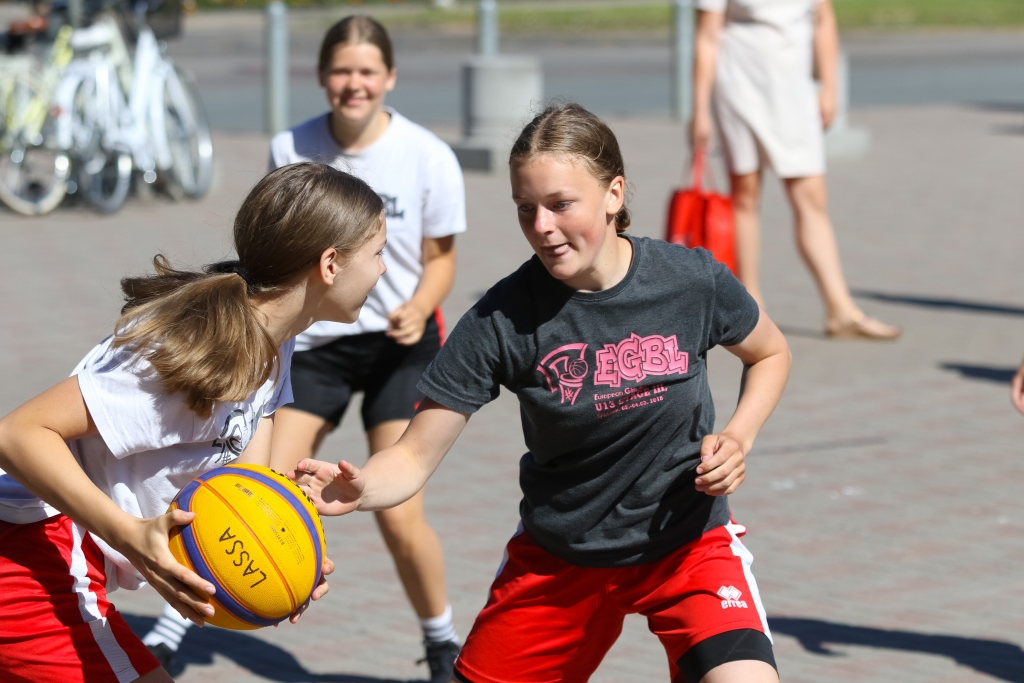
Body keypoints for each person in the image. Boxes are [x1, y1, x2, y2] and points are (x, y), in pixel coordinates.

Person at [291, 104, 793, 683]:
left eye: (560, 204)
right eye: (526, 209)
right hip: (564, 559)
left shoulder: (690, 280)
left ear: (614, 194)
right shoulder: (502, 318)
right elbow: (413, 453)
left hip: (687, 546)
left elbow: (770, 352)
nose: (542, 227)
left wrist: (738, 435)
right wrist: (362, 489)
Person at [0, 162, 385, 683]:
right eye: (378, 253)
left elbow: (239, 487)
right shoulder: (198, 349)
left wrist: (291, 535)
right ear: (331, 264)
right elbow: (18, 433)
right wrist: (134, 536)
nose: (385, 270)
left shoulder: (276, 340)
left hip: (59, 554)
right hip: (29, 550)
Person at [691, 0, 900, 340]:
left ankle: (841, 310)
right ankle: (751, 309)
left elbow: (823, 18)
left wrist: (829, 86)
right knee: (745, 196)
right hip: (740, 85)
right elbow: (707, 36)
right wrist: (700, 110)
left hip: (794, 90)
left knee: (812, 197)